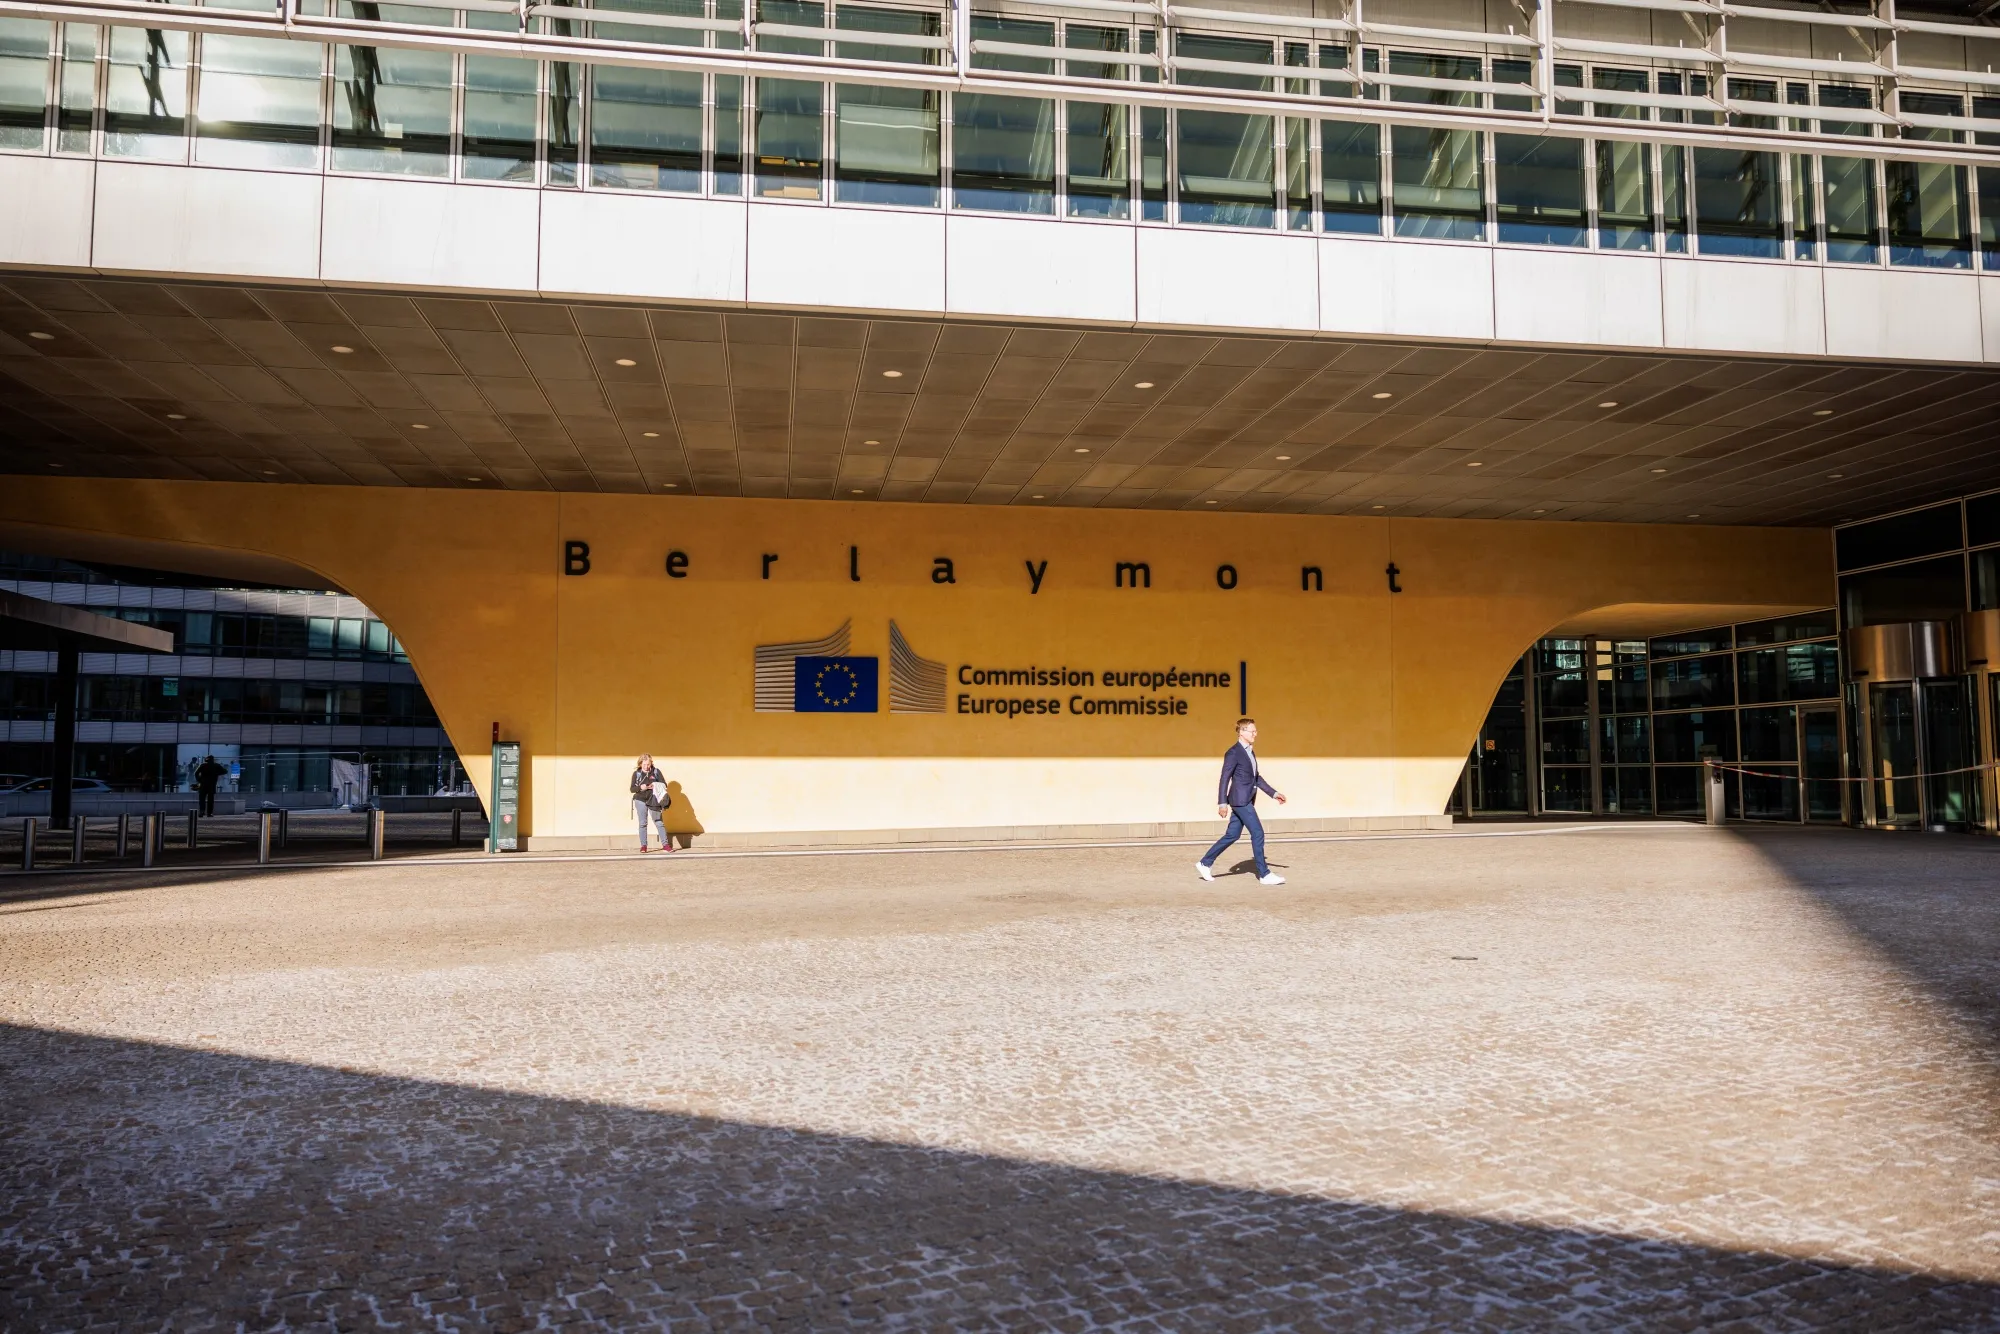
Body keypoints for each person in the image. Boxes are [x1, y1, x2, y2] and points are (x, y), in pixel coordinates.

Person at [1196, 718, 1287, 885]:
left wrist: (1274, 793)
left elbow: (1256, 778)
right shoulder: (1233, 753)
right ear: (1242, 732)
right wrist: (1222, 803)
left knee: (1232, 835)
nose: (1255, 734)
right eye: (1252, 731)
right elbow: (1225, 778)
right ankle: (1264, 874)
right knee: (1258, 833)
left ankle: (1204, 863)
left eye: (1255, 731)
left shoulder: (1249, 752)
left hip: (1245, 799)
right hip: (1240, 801)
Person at [629, 754, 673, 853]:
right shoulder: (637, 774)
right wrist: (641, 787)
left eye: (648, 764)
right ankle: (643, 846)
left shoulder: (656, 772)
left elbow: (664, 784)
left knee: (659, 822)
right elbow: (632, 789)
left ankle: (665, 845)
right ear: (640, 764)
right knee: (643, 824)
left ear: (651, 763)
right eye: (644, 764)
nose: (646, 767)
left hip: (654, 799)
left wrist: (655, 785)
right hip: (640, 800)